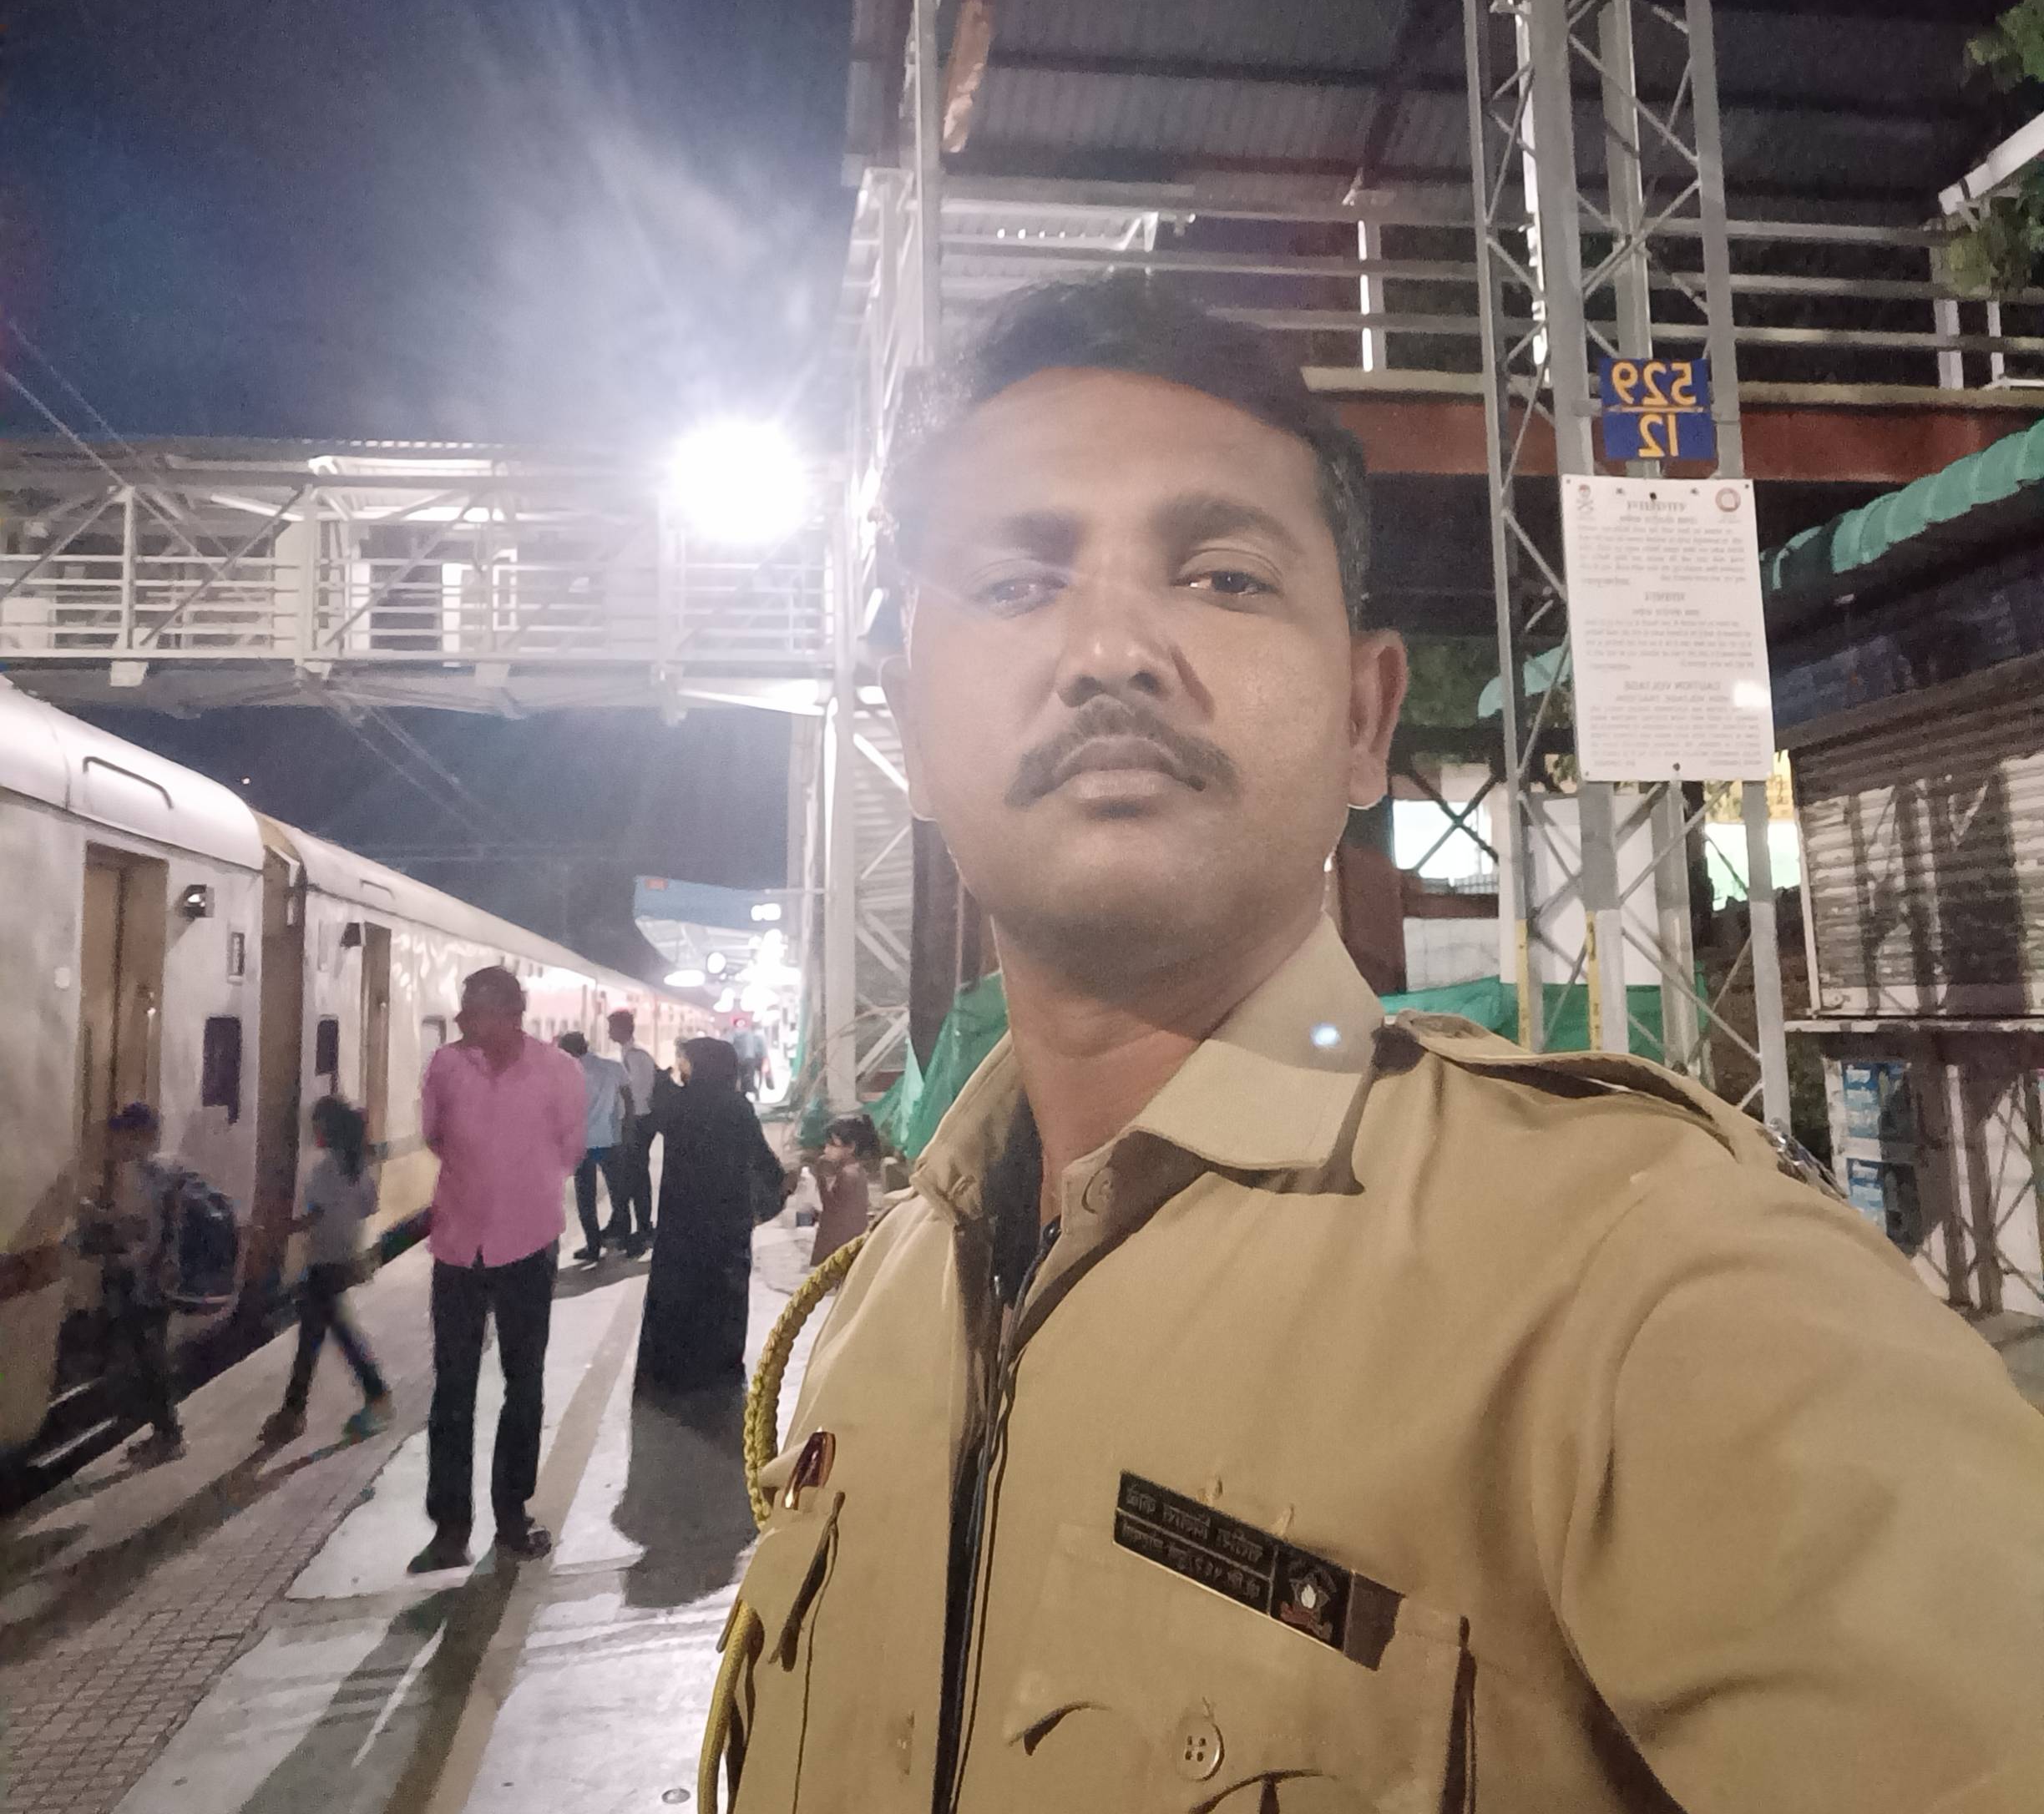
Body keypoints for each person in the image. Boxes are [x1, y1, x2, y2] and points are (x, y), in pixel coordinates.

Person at [710, 275, 2044, 1811]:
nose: (1111, 649)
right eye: (1016, 583)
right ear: (909, 720)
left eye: (1221, 576)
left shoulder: (1644, 1287)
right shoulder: (876, 1308)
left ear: (1362, 715)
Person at [412, 964, 583, 1572]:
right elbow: (434, 1135)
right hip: (458, 1246)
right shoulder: (446, 1067)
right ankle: (449, 1527)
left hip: (528, 1244)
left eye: (476, 1011)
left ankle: (512, 1514)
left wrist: (517, 1188)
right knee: (451, 1388)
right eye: (464, 1010)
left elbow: (570, 1149)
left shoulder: (559, 1071)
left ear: (512, 1015)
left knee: (523, 1384)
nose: (464, 1022)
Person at [635, 1036, 785, 1396]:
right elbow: (763, 1161)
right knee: (724, 1293)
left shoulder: (676, 1104)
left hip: (681, 1219)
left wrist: (662, 1082)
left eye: (686, 1060)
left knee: (678, 1290)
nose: (682, 1067)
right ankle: (719, 1368)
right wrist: (779, 1187)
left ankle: (671, 1368)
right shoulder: (737, 1107)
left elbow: (648, 1120)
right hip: (726, 1220)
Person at [259, 1096, 392, 1448]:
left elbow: (314, 1216)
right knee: (313, 1335)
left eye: (316, 1124)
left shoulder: (324, 1170)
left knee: (338, 1335)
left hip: (324, 1264)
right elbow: (368, 1208)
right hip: (346, 1259)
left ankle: (378, 1397)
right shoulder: (359, 1167)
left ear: (328, 1129)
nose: (312, 1131)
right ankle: (293, 1411)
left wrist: (281, 1230)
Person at [86, 1103, 183, 1468]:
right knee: (150, 1358)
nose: (118, 1144)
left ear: (141, 1135)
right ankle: (165, 1433)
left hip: (151, 1282)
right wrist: (104, 1217)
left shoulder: (153, 1174)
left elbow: (151, 1234)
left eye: (124, 1136)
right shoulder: (160, 1170)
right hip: (157, 1278)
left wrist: (125, 1259)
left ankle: (169, 1437)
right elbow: (143, 1224)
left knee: (152, 1361)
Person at [559, 1029, 633, 1263]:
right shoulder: (613, 1067)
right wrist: (627, 1127)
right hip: (610, 1138)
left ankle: (593, 1247)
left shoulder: (564, 1073)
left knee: (586, 1198)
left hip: (582, 1143)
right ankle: (624, 1239)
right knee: (618, 1193)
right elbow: (628, 1098)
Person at [605, 1008, 659, 1251]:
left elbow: (636, 1095)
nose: (608, 1032)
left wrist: (624, 1122)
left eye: (611, 1028)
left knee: (635, 1178)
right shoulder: (632, 1055)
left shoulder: (635, 1057)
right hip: (638, 1121)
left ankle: (642, 1230)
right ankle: (628, 1225)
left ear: (622, 1029)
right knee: (634, 1177)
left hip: (637, 1122)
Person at [803, 1113, 883, 1266]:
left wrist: (821, 1177)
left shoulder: (848, 1175)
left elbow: (831, 1208)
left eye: (832, 1145)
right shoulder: (853, 1170)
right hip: (847, 1236)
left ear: (851, 1147)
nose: (826, 1150)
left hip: (841, 1238)